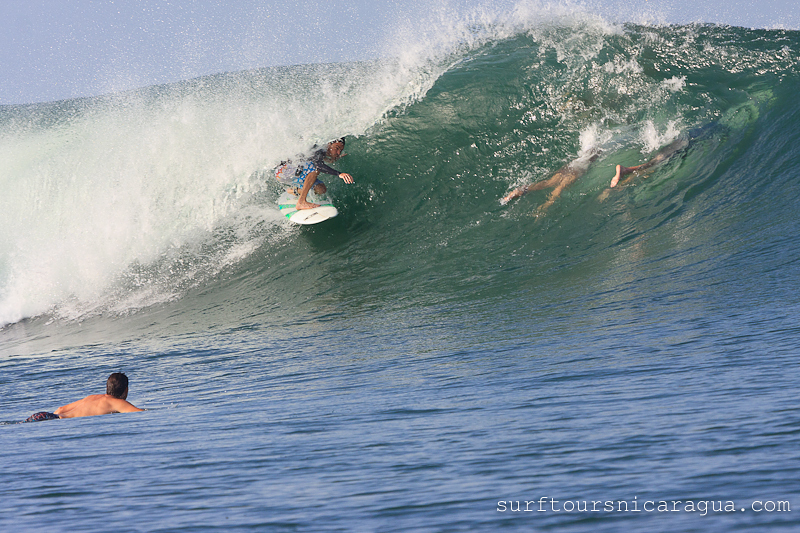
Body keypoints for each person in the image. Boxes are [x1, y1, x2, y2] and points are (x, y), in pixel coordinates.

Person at [501, 151, 600, 213]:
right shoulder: (590, 161)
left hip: (566, 169)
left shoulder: (581, 157)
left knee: (548, 183)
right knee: (559, 188)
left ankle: (521, 190)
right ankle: (546, 205)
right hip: (575, 173)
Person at [23, 372, 144, 422]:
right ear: (126, 390)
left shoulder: (93, 397)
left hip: (45, 415)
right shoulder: (116, 402)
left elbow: (60, 409)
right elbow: (140, 413)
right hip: (50, 420)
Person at [276, 137, 355, 210]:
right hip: (283, 171)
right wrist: (339, 174)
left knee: (321, 189)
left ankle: (293, 191)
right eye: (337, 148)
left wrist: (332, 159)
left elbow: (316, 158)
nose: (338, 152)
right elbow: (318, 165)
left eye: (340, 150)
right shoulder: (317, 148)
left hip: (294, 173)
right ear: (329, 144)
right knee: (315, 169)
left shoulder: (322, 150)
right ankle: (301, 202)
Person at [608, 137, 689, 188]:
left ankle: (625, 172)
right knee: (652, 164)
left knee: (651, 165)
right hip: (669, 151)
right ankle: (625, 170)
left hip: (669, 151)